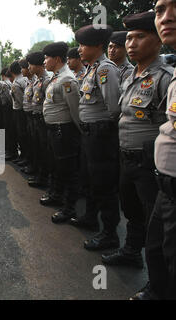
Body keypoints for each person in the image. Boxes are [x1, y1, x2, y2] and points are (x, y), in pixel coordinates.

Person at [102, 11, 173, 271]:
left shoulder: (165, 77)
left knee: (158, 222)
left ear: (158, 42)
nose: (131, 44)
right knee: (131, 210)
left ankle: (160, 279)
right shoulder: (129, 76)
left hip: (149, 163)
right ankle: (131, 251)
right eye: (129, 38)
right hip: (126, 157)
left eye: (140, 37)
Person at [132, 0, 176, 299]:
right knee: (158, 248)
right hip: (165, 182)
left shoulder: (163, 75)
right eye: (160, 9)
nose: (166, 17)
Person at [71, 24, 122, 251]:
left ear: (98, 46)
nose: (79, 49)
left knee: (105, 185)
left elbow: (113, 108)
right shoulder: (92, 69)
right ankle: (91, 218)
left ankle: (109, 234)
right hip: (91, 134)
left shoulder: (105, 69)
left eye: (83, 44)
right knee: (91, 179)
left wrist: (101, 131)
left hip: (102, 134)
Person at [42, 43, 81, 223]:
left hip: (63, 131)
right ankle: (57, 196)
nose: (44, 62)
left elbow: (75, 110)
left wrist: (79, 133)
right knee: (57, 167)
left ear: (57, 59)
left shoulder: (67, 79)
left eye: (46, 58)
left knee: (68, 171)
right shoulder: (56, 77)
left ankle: (69, 208)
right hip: (54, 130)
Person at [27, 52, 52, 189]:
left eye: (31, 65)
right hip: (35, 118)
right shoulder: (37, 80)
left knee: (45, 150)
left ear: (38, 65)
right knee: (38, 149)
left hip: (43, 120)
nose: (29, 67)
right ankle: (40, 175)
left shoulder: (47, 80)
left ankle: (45, 178)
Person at [9, 60, 28, 165]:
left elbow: (20, 101)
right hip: (25, 111)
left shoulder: (17, 82)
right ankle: (24, 156)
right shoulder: (25, 79)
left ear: (11, 71)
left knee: (22, 135)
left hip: (19, 111)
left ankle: (25, 157)